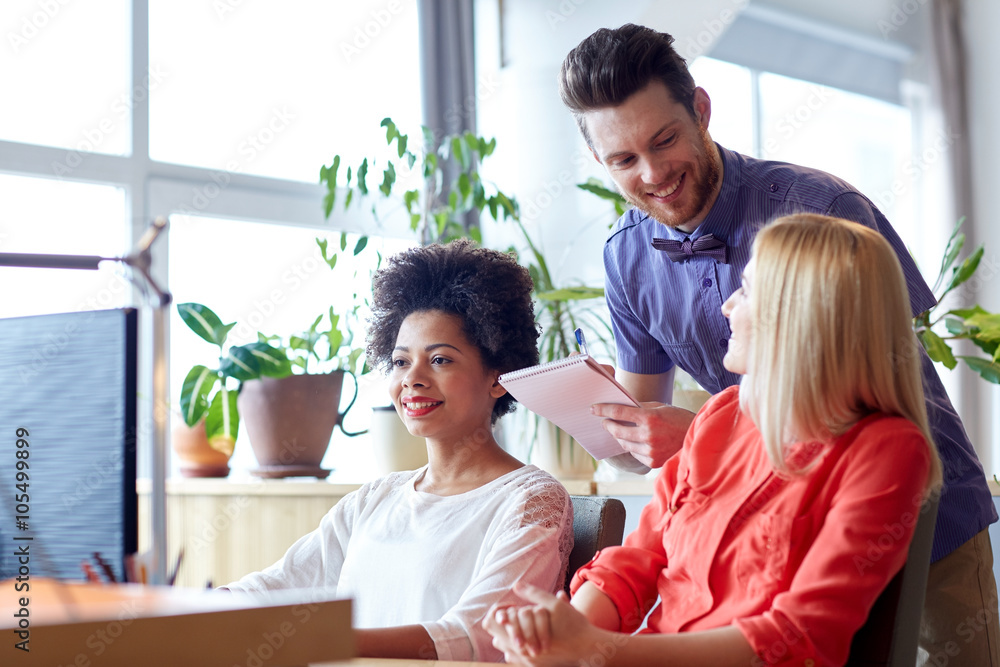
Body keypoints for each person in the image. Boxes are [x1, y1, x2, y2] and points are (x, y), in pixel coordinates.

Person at [558, 23, 998, 663]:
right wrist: (626, 427)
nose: (653, 174)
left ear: (701, 111)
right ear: (599, 161)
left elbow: (884, 371)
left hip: (920, 514)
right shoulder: (626, 259)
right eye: (624, 160)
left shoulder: (816, 208)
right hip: (763, 541)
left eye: (665, 140)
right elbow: (641, 444)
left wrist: (732, 436)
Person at [484, 214, 942, 666]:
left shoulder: (888, 450)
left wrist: (596, 651)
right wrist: (566, 636)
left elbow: (800, 636)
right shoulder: (720, 416)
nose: (728, 306)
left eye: (746, 290)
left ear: (799, 315)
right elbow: (637, 561)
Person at [223, 239, 574, 662]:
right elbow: (277, 587)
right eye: (401, 361)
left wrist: (329, 642)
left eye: (440, 360)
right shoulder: (375, 499)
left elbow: (477, 637)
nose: (413, 379)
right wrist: (186, 607)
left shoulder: (531, 500)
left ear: (498, 378)